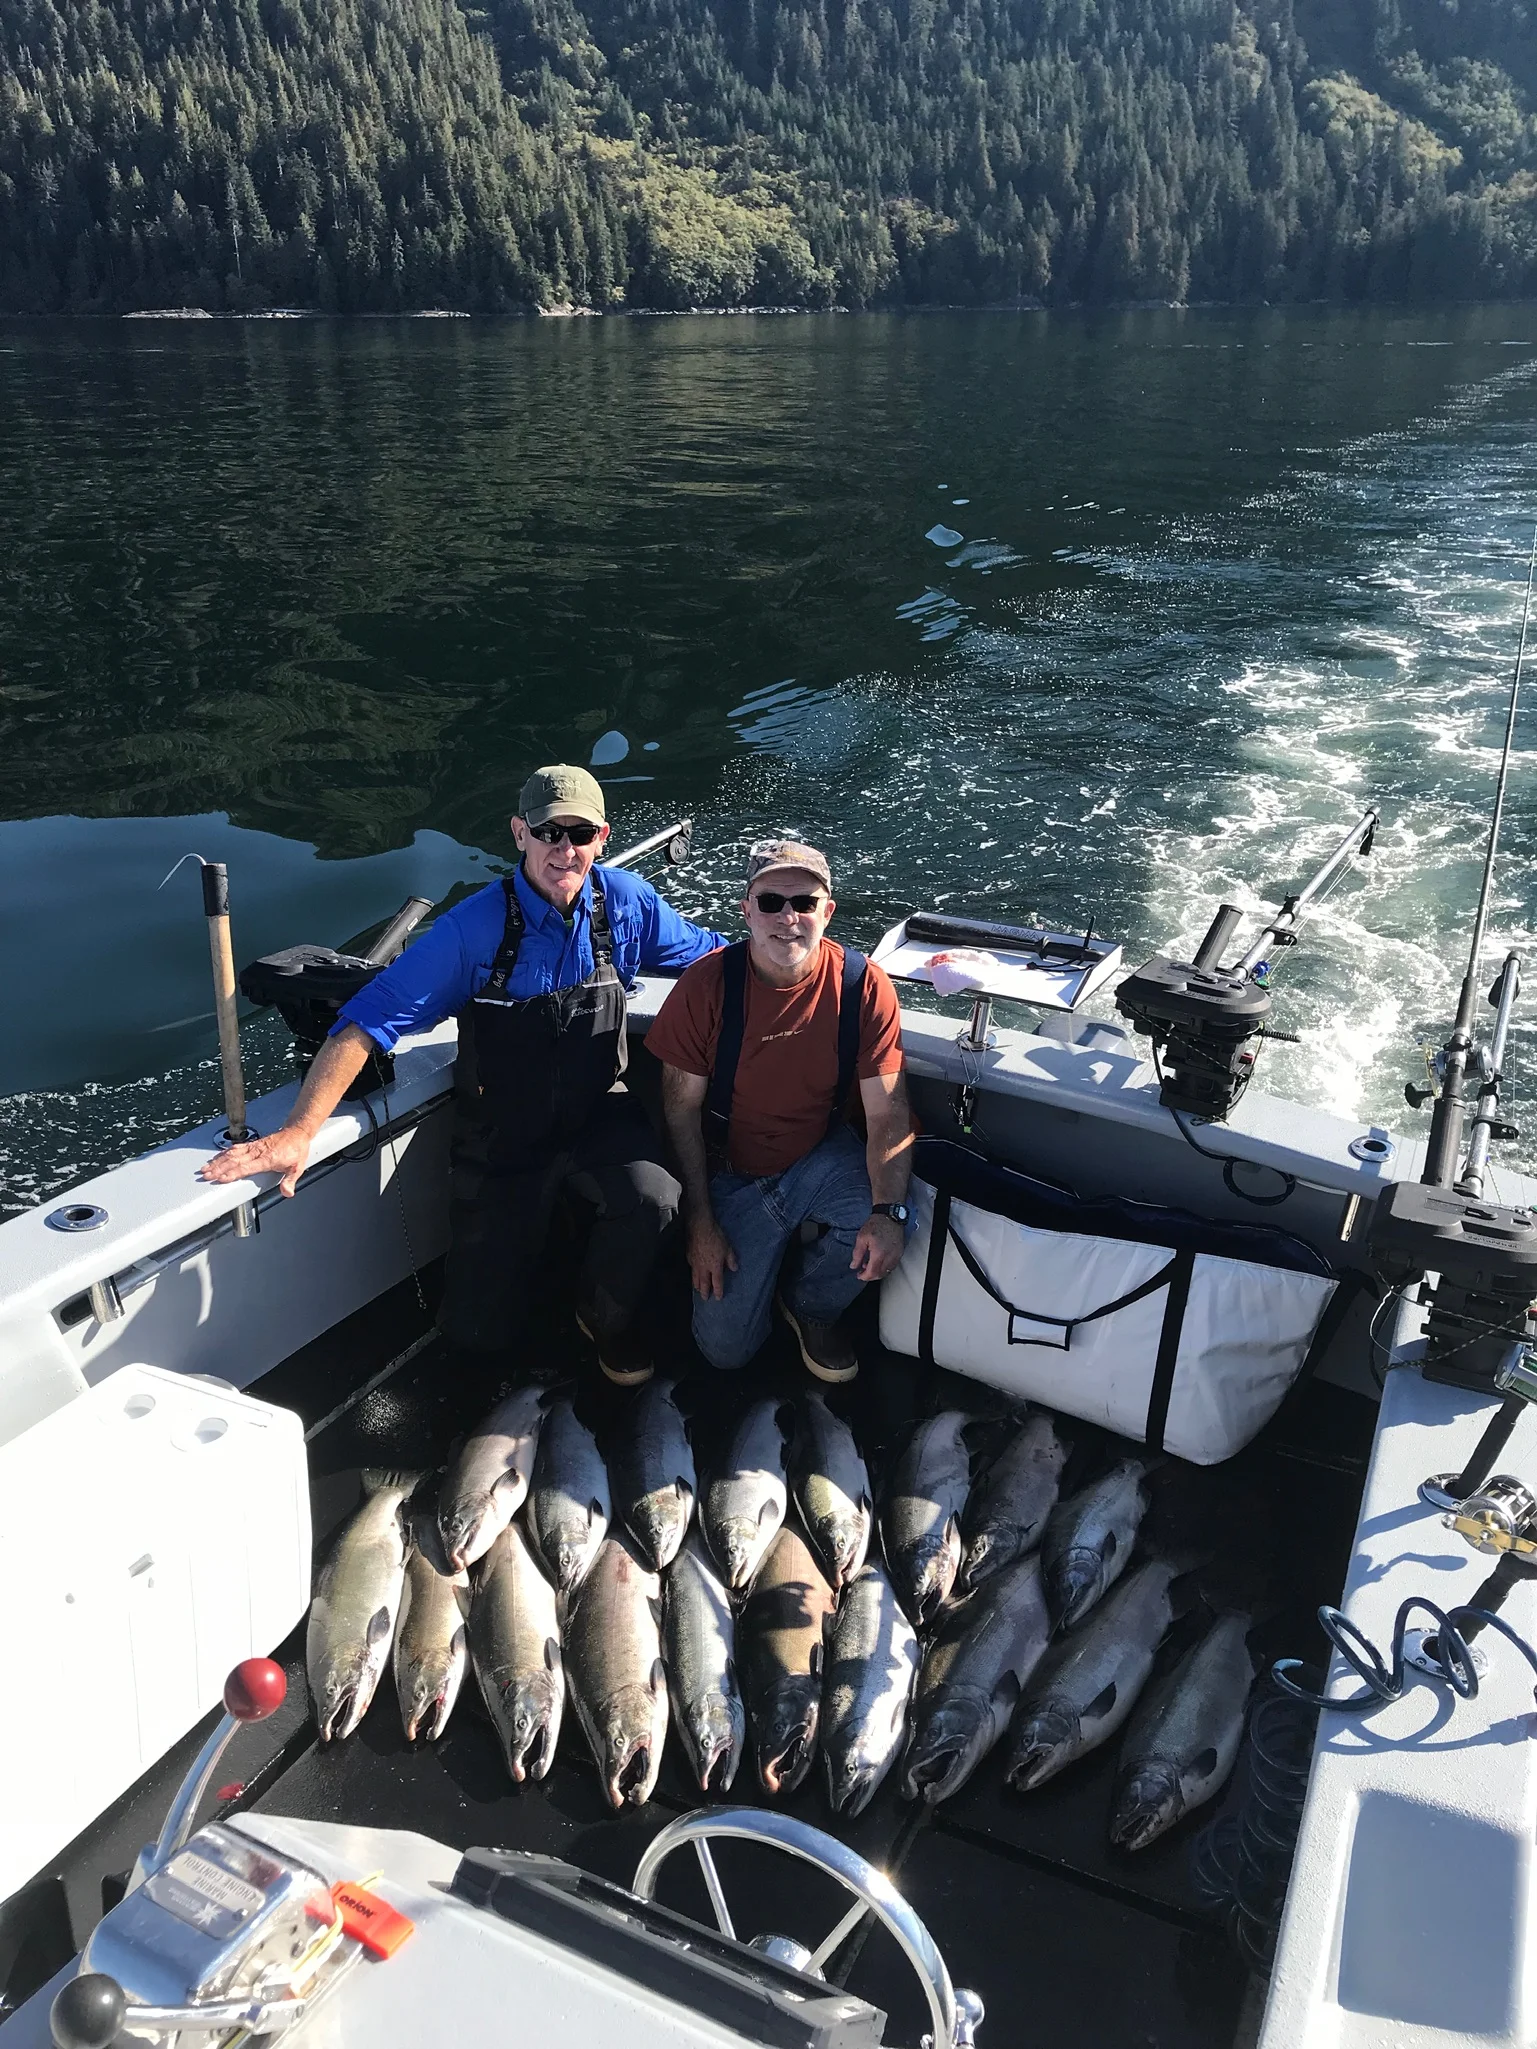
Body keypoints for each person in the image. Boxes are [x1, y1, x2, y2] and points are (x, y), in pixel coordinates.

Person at [201, 766, 723, 1384]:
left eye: (580, 833)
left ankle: (603, 1316)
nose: (565, 849)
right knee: (476, 1334)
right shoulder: (473, 928)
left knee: (655, 1199)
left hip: (597, 1113)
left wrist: (808, 967)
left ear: (602, 836)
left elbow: (713, 957)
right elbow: (365, 1023)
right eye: (548, 832)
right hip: (503, 1134)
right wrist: (298, 1132)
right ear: (519, 833)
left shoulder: (628, 903)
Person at [649, 839, 913, 1382]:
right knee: (725, 1352)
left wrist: (887, 1214)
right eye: (770, 902)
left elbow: (887, 1115)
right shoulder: (706, 986)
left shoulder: (863, 985)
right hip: (729, 1177)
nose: (787, 918)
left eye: (804, 903)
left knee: (901, 1212)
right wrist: (700, 1222)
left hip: (818, 1155)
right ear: (746, 911)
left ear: (827, 911)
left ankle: (809, 1303)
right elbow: (679, 1114)